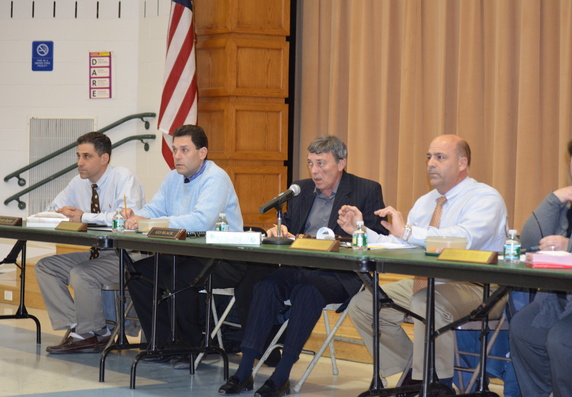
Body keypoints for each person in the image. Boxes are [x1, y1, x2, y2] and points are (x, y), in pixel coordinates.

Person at [218, 135, 387, 397]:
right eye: (310, 163)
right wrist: (280, 229)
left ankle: (282, 375)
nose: (315, 171)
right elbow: (289, 225)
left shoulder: (366, 190)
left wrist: (357, 228)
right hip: (299, 266)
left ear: (341, 163)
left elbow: (378, 241)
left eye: (321, 164)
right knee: (264, 286)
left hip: (341, 273)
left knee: (309, 291)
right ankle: (244, 370)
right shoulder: (300, 189)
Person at [338, 134, 507, 387]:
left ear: (462, 163)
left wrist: (408, 232)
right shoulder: (426, 202)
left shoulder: (485, 198)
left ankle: (437, 384)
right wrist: (361, 232)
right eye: (429, 157)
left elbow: (463, 240)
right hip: (430, 282)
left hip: (480, 287)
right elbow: (404, 244)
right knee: (364, 303)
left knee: (425, 302)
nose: (430, 163)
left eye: (440, 157)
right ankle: (415, 374)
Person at [123, 125, 271, 356]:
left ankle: (189, 347)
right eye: (174, 150)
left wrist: (153, 222)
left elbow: (201, 221)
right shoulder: (173, 177)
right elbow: (155, 208)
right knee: (137, 276)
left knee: (177, 278)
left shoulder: (216, 178)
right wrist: (138, 217)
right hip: (187, 255)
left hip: (224, 259)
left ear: (202, 153)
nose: (177, 156)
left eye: (184, 150)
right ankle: (161, 344)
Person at [35, 131, 145, 354]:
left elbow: (121, 219)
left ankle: (93, 333)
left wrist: (84, 216)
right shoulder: (78, 183)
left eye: (87, 156)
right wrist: (59, 212)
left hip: (126, 256)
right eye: (78, 156)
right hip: (98, 253)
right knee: (46, 267)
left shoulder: (124, 178)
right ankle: (83, 329)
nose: (80, 163)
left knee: (82, 273)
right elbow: (49, 211)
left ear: (104, 158)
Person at [509, 128, 572, 397]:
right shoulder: (569, 203)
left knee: (564, 340)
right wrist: (554, 199)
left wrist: (570, 246)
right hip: (559, 298)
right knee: (523, 329)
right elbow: (528, 240)